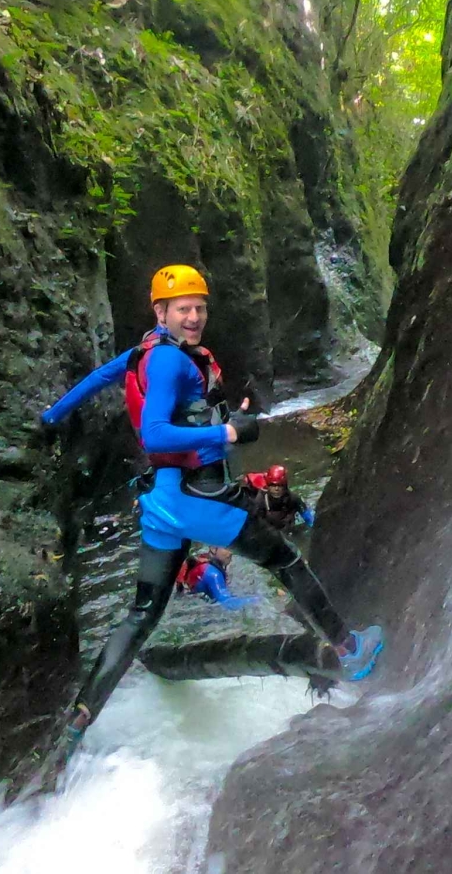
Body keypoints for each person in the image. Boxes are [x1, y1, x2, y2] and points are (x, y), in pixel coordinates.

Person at [41, 264, 384, 750]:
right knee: (286, 561)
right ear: (161, 311)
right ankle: (350, 650)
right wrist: (228, 432)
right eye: (184, 308)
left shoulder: (144, 352)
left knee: (142, 614)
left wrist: (52, 415)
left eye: (200, 307)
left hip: (161, 500)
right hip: (201, 498)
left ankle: (81, 716)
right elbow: (155, 434)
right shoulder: (170, 363)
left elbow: (98, 378)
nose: (194, 317)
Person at [175, 546, 258, 609]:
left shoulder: (202, 562)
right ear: (213, 548)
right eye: (226, 548)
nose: (230, 553)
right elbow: (226, 603)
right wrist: (257, 600)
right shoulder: (213, 574)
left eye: (232, 548)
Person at [242, 464, 315, 532]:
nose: (276, 489)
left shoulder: (293, 499)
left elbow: (308, 517)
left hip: (288, 530)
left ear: (284, 486)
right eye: (273, 485)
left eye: (280, 485)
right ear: (268, 486)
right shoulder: (260, 501)